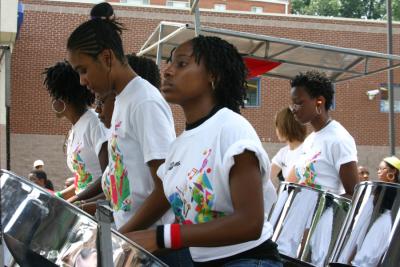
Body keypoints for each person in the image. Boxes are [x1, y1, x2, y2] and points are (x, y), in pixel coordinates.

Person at [125, 35, 282, 267]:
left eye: (181, 64)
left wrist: (162, 237)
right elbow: (161, 198)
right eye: (169, 63)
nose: (167, 71)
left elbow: (250, 222)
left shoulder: (231, 128)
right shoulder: (179, 146)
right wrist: (115, 235)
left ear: (213, 76)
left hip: (247, 260)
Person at [66, 3, 176, 234]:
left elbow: (167, 187)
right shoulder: (122, 101)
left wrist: (123, 239)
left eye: (83, 70)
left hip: (152, 248)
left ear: (107, 58)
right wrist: (80, 206)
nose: (82, 81)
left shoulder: (144, 101)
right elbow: (123, 182)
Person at [43, 61, 109, 200]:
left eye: (53, 95)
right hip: (83, 205)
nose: (52, 101)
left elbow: (108, 177)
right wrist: (58, 197)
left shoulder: (95, 124)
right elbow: (85, 180)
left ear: (62, 98)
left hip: (98, 210)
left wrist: (75, 202)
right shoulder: (76, 128)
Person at [287, 71, 359, 196]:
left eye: (299, 103)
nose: (294, 109)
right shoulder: (310, 140)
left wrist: (322, 208)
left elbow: (353, 194)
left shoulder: (339, 139)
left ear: (319, 101)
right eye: (293, 104)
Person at [270, 107, 307, 185]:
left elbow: (288, 186)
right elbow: (266, 177)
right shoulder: (283, 153)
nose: (276, 130)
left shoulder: (308, 150)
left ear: (286, 126)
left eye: (277, 125)